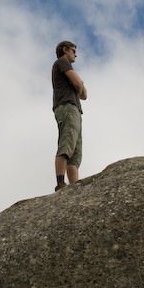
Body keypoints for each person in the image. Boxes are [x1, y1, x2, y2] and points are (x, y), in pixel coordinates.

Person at [51, 40, 87, 191]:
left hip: (75, 109)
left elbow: (84, 95)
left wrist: (79, 85)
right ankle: (60, 183)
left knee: (75, 152)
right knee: (66, 143)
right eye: (73, 51)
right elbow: (80, 85)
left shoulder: (65, 64)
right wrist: (78, 83)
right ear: (65, 50)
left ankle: (74, 187)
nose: (75, 55)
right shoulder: (62, 61)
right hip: (67, 107)